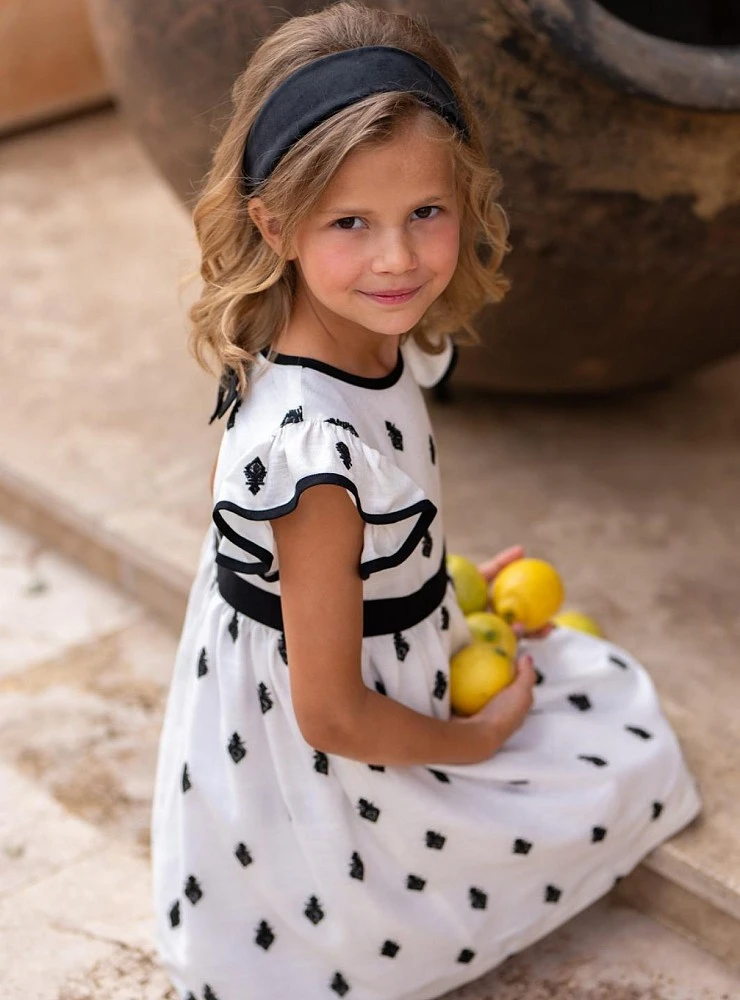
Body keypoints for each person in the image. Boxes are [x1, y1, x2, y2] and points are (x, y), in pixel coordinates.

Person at [150, 3, 702, 998]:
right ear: (273, 223)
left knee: (582, 686)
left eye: (424, 214)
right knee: (622, 762)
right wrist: (472, 741)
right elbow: (326, 711)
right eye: (348, 223)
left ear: (462, 195)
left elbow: (321, 575)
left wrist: (424, 594)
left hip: (374, 664)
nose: (396, 259)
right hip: (327, 772)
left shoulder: (348, 328)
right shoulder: (309, 456)